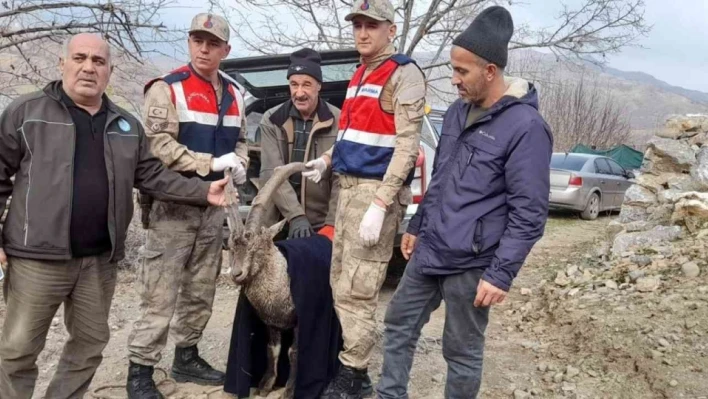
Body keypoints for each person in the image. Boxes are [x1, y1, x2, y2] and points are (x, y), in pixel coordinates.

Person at [0, 33, 230, 399]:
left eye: (98, 61)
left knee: (88, 348)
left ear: (110, 70)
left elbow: (152, 175)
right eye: (79, 58)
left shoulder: (125, 126)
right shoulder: (26, 114)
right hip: (36, 258)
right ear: (63, 63)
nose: (88, 67)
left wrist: (204, 191)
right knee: (18, 351)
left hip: (99, 261)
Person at [375, 6, 553, 399]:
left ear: (490, 71)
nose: (453, 80)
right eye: (453, 70)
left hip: (473, 263)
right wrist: (418, 225)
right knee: (398, 323)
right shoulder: (457, 113)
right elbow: (442, 178)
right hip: (431, 249)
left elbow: (530, 214)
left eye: (462, 72)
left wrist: (500, 273)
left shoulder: (526, 128)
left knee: (462, 352)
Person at [302, 1, 427, 397]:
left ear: (390, 30)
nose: (362, 32)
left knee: (359, 286)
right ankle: (351, 362)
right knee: (340, 280)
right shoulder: (359, 73)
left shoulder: (403, 74)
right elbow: (351, 135)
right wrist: (325, 160)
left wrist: (381, 204)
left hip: (374, 192)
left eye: (371, 25)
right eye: (357, 24)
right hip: (347, 189)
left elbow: (407, 149)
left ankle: (354, 374)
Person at [125, 13, 249, 398]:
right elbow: (159, 145)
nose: (204, 48)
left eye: (212, 43)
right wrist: (208, 164)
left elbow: (241, 138)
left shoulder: (233, 93)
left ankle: (187, 354)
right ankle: (140, 370)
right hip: (173, 205)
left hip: (214, 210)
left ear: (225, 50)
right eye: (198, 40)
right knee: (160, 290)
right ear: (189, 43)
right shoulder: (168, 88)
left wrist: (240, 162)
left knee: (201, 286)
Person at [259, 48, 340, 240]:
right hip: (277, 221)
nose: (299, 92)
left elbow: (341, 178)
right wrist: (296, 216)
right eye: (294, 84)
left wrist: (332, 223)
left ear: (319, 85)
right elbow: (272, 173)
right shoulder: (271, 119)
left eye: (307, 84)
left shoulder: (339, 120)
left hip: (321, 223)